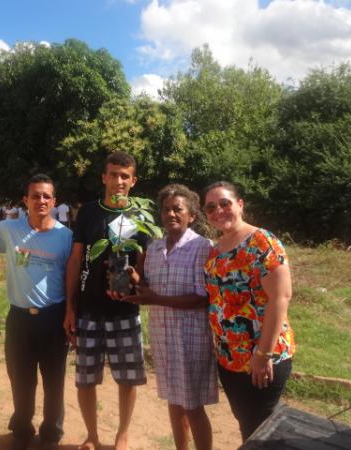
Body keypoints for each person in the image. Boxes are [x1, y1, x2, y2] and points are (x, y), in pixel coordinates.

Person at [120, 184, 217, 450]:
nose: (171, 214)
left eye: (178, 209)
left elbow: (202, 298)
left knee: (193, 406)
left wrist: (155, 299)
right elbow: (149, 287)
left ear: (192, 216)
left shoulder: (202, 247)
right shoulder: (154, 248)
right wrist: (133, 279)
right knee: (174, 402)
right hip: (163, 335)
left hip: (191, 336)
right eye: (166, 209)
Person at [0, 174, 72, 450]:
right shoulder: (9, 229)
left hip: (53, 317)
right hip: (19, 318)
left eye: (46, 196)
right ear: (25, 200)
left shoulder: (65, 236)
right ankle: (22, 428)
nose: (41, 200)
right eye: (35, 195)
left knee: (54, 381)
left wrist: (71, 313)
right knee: (21, 379)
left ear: (54, 201)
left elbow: (72, 276)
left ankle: (51, 434)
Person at [64, 151, 148, 450]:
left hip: (125, 309)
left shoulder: (141, 215)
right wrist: (70, 308)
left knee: (127, 379)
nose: (118, 181)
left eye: (125, 175)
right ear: (104, 177)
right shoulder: (87, 212)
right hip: (89, 310)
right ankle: (92, 435)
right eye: (113, 174)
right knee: (85, 379)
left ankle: (122, 435)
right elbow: (75, 260)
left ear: (133, 180)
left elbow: (143, 261)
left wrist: (135, 280)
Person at [202, 181, 294, 442]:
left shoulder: (261, 241)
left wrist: (263, 353)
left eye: (224, 203)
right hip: (229, 358)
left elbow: (281, 296)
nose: (218, 211)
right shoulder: (216, 251)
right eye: (211, 207)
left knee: (261, 428)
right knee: (247, 424)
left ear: (240, 205)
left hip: (262, 358)